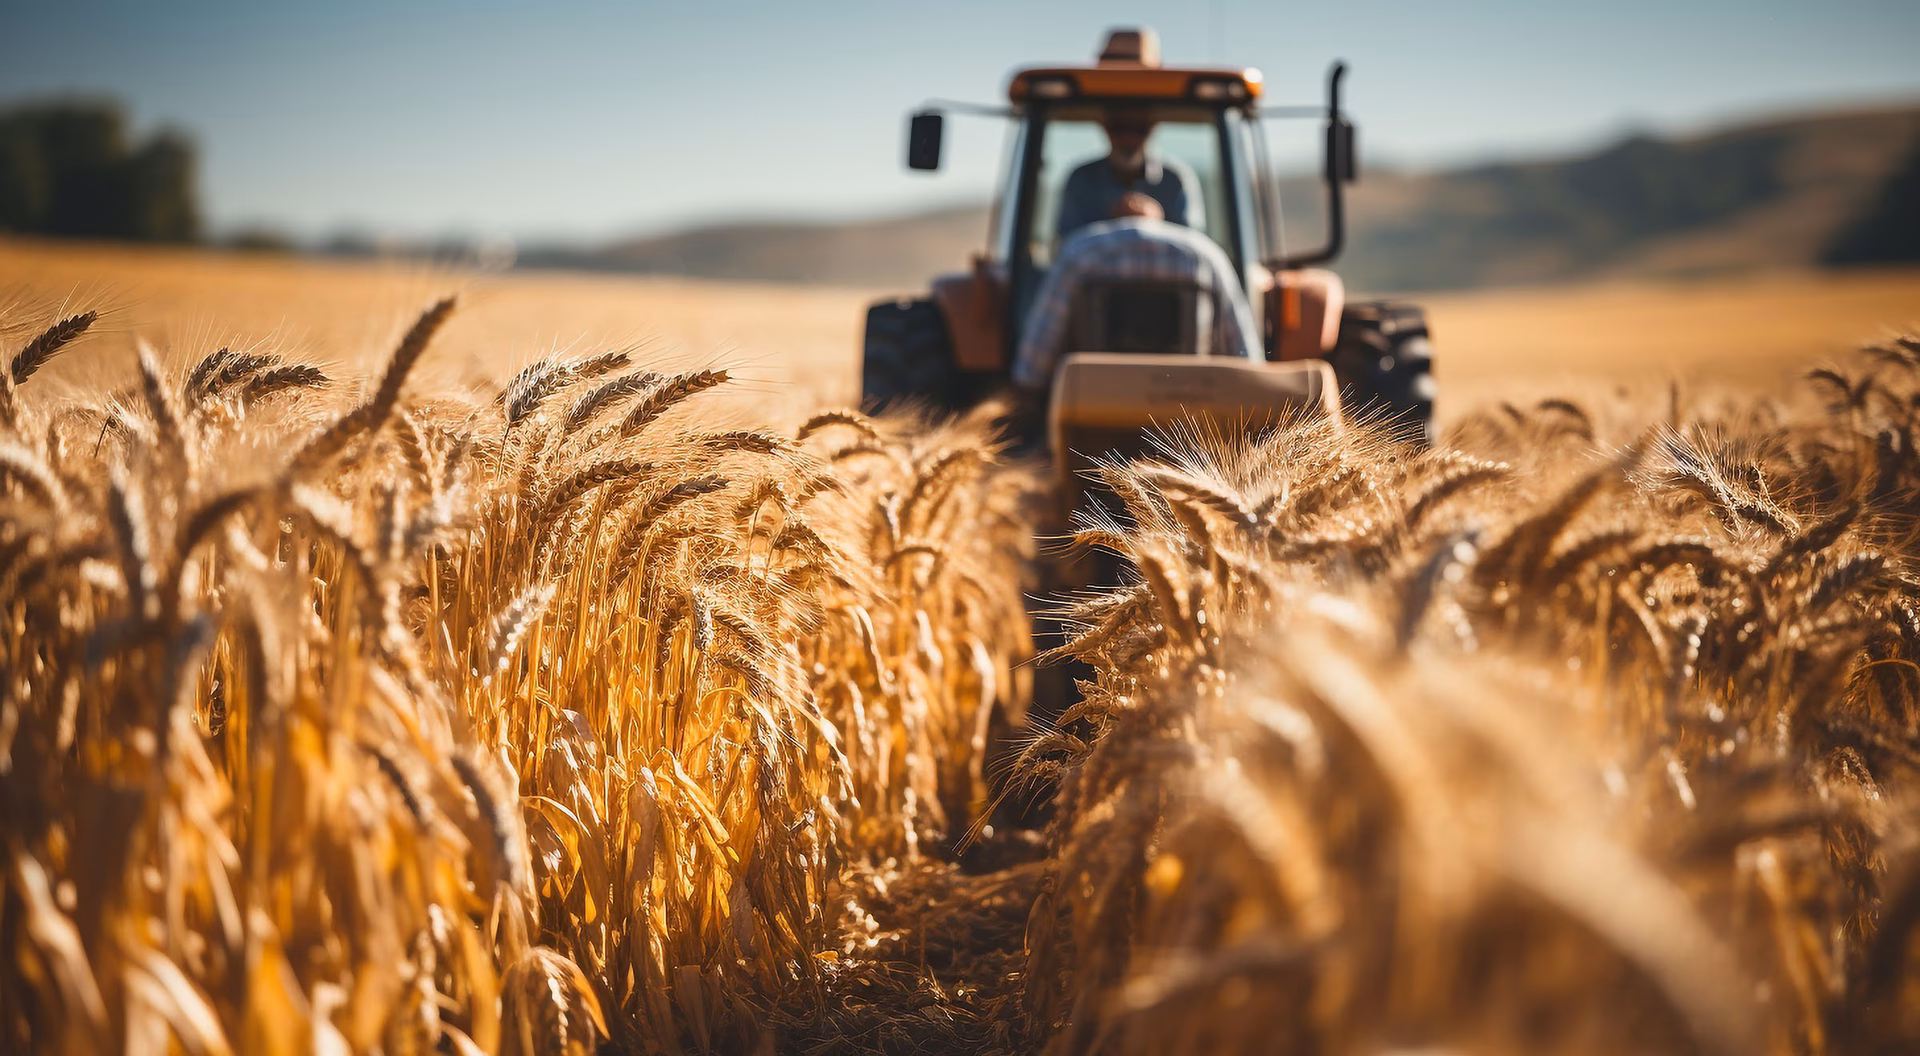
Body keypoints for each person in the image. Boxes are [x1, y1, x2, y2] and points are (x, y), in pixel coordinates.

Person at [1013, 193, 1258, 391]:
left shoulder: (1079, 253)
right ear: (1160, 216)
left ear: (1112, 217)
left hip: (1095, 404)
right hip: (1187, 408)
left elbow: (1034, 365)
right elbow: (1244, 358)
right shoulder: (1205, 256)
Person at [1054, 108, 1205, 238]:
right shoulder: (1081, 179)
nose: (1128, 138)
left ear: (1152, 128)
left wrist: (1151, 226)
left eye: (1138, 129)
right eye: (1119, 128)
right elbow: (1067, 243)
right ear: (1104, 127)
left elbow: (1191, 244)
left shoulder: (1175, 179)